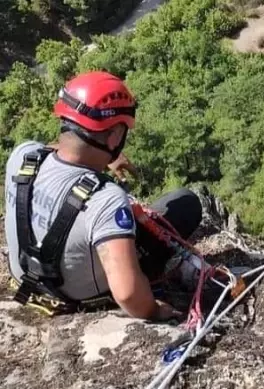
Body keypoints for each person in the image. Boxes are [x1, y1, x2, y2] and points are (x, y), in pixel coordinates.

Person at [3, 70, 203, 321]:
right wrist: (155, 310)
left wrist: (104, 155)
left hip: (25, 278)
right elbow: (128, 294)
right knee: (185, 205)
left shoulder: (23, 157)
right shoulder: (106, 200)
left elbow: (58, 148)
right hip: (76, 296)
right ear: (116, 135)